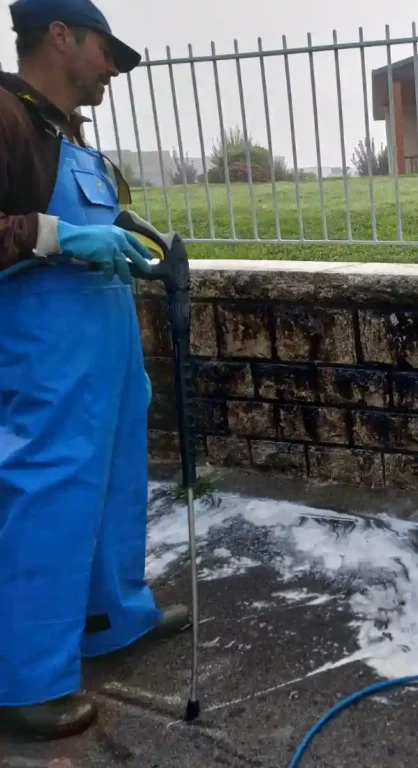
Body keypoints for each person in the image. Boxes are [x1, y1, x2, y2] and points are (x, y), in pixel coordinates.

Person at [0, 0, 189, 740]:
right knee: (48, 498)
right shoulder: (7, 118)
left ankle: (112, 618)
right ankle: (25, 682)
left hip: (105, 352)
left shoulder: (68, 135)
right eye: (106, 52)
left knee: (114, 487)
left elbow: (98, 233)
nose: (113, 68)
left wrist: (124, 246)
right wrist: (58, 235)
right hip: (46, 357)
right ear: (59, 35)